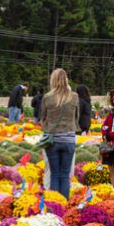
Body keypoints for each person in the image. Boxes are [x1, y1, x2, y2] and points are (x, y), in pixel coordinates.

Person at [40, 69, 79, 198]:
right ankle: (65, 203)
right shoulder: (74, 97)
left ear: (53, 80)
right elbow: (76, 118)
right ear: (66, 79)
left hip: (52, 140)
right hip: (68, 140)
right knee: (65, 174)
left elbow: (43, 118)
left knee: (54, 174)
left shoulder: (47, 97)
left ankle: (56, 204)